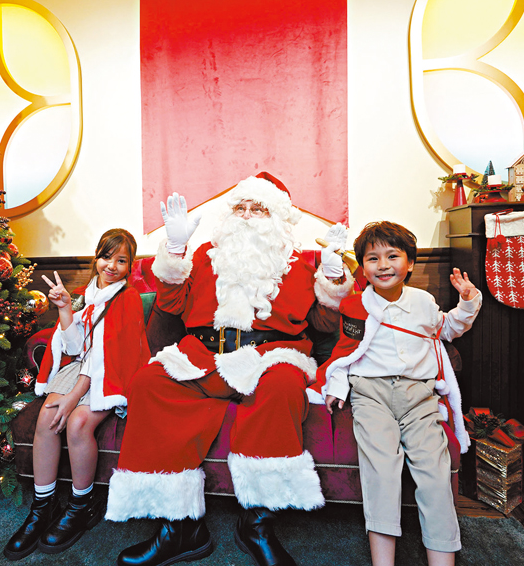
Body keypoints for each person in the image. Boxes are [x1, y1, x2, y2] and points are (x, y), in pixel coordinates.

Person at [105, 173, 354, 566]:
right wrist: (174, 249)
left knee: (283, 386)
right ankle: (178, 527)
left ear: (278, 218)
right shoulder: (205, 254)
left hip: (269, 357)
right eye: (241, 207)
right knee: (150, 382)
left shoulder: (301, 264)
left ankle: (256, 523)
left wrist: (334, 279)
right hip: (202, 357)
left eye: (259, 208)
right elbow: (170, 307)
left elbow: (325, 326)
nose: (249, 215)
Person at [310, 221, 480, 566]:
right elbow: (346, 352)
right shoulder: (355, 306)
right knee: (382, 471)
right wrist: (337, 387)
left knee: (434, 472)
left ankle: (442, 558)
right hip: (371, 394)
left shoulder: (423, 301)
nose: (383, 265)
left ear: (411, 263)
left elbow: (447, 329)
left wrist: (467, 302)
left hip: (418, 396)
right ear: (363, 267)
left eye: (393, 256)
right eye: (373, 258)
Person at [3, 228, 150, 561]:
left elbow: (107, 355)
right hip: (84, 368)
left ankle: (79, 506)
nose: (111, 265)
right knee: (46, 419)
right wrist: (66, 309)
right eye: (106, 256)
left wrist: (73, 398)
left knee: (77, 424)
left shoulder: (126, 298)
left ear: (129, 266)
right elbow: (73, 347)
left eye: (121, 260)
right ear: (96, 257)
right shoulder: (89, 293)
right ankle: (43, 507)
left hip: (113, 373)